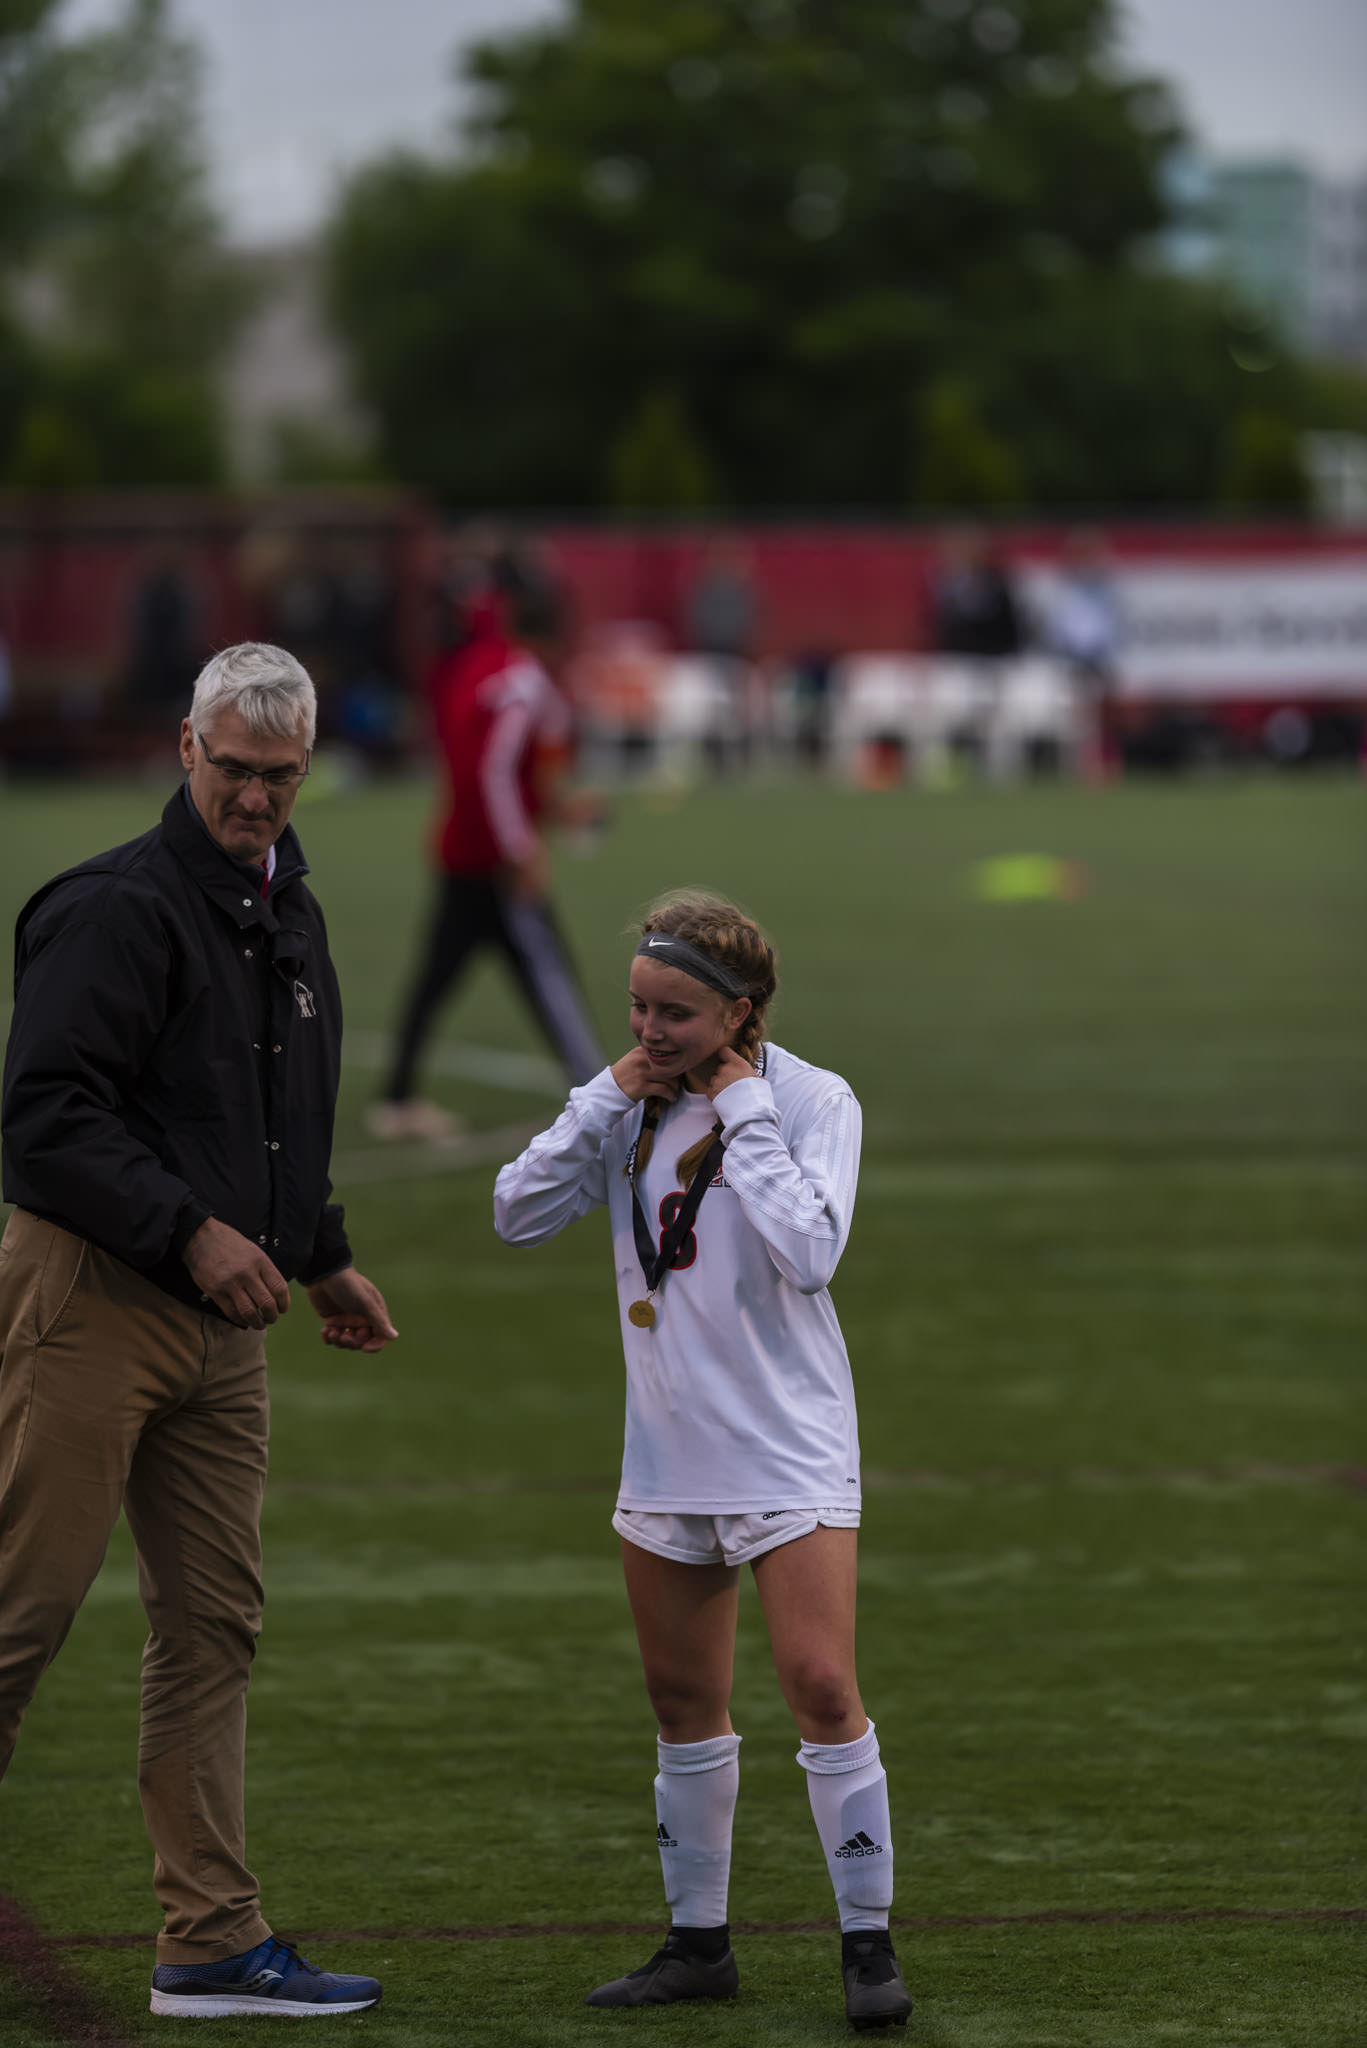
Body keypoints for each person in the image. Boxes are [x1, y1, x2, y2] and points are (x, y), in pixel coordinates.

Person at [0, 642, 395, 2019]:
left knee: (214, 1627)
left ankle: (210, 1941)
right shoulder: (114, 909)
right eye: (235, 772)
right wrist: (188, 1230)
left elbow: (279, 1113)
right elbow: (44, 1121)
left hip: (228, 1329)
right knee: (18, 1615)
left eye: (282, 779)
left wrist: (322, 1252)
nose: (258, 800)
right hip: (95, 1300)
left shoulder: (290, 908)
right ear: (185, 747)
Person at [493, 892, 912, 2031]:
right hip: (667, 1448)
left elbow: (810, 1247)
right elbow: (515, 1210)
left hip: (788, 1445)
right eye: (635, 1006)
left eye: (674, 1011)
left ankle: (866, 1944)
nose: (649, 1029)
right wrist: (602, 1098)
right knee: (681, 1701)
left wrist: (745, 1110)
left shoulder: (815, 1098)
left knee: (821, 1685)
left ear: (740, 1010)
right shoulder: (626, 1100)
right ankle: (696, 1944)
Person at [371, 564, 604, 1141]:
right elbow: (493, 771)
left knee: (440, 978)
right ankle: (602, 1096)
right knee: (550, 974)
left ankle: (397, 1097)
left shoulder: (470, 669)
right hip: (493, 863)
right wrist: (522, 849)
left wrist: (553, 811)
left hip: (462, 852)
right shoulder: (522, 680)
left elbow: (490, 770)